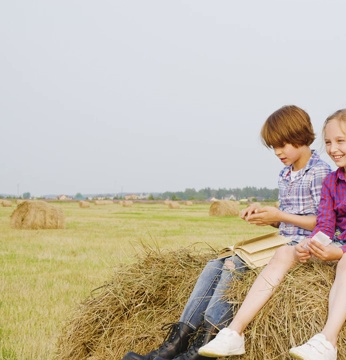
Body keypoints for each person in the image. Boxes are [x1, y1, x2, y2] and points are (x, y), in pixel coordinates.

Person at [122, 105, 331, 360]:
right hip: (283, 239)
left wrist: (280, 216)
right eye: (273, 147)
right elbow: (290, 219)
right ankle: (175, 344)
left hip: (302, 248)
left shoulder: (320, 172)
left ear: (302, 136)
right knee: (216, 263)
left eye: (283, 144)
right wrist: (267, 217)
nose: (278, 152)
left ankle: (205, 344)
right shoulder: (285, 173)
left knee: (234, 264)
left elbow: (325, 223)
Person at [198, 108, 346, 360]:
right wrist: (311, 245)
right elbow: (325, 226)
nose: (333, 148)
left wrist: (342, 251)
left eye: (340, 141)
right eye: (328, 142)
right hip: (341, 241)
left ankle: (328, 341)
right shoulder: (331, 182)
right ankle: (234, 333)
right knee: (284, 252)